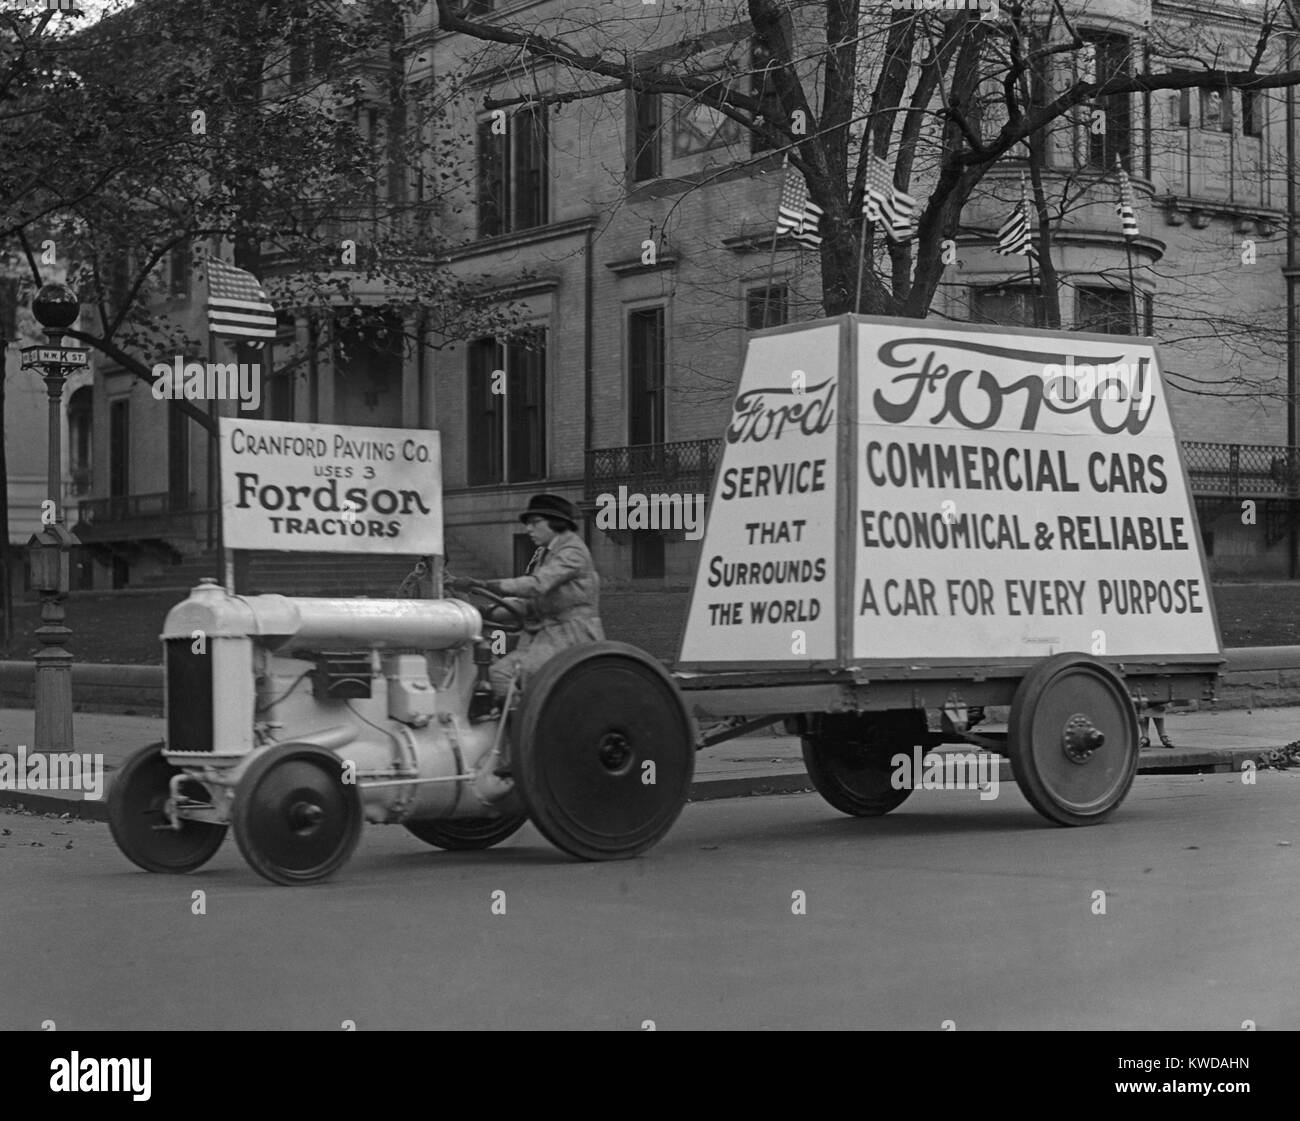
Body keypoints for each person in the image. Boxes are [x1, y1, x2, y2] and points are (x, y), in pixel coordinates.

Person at [447, 494, 604, 703]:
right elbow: (531, 605)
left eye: (535, 523)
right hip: (547, 634)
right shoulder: (546, 554)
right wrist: (484, 612)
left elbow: (536, 585)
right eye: (528, 524)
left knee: (518, 674)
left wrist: (483, 584)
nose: (528, 529)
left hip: (572, 636)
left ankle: (530, 727)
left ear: (556, 522)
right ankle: (512, 723)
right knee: (496, 672)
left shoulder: (572, 551)